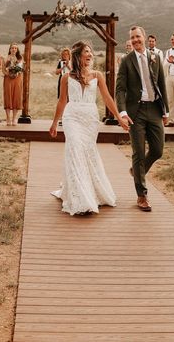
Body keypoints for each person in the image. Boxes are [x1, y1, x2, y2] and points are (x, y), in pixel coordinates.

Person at [49, 40, 129, 215]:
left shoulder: (97, 75)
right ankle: (81, 199)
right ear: (78, 55)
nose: (90, 54)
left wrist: (119, 118)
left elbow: (108, 98)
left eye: (91, 52)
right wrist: (55, 122)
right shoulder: (66, 77)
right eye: (86, 51)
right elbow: (62, 101)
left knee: (88, 152)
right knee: (75, 149)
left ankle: (90, 190)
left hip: (90, 119)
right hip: (72, 117)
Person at [116, 25, 168, 212]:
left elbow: (161, 83)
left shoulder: (155, 57)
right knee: (138, 152)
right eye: (132, 37)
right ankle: (142, 195)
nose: (136, 40)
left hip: (154, 109)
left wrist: (166, 111)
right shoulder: (126, 61)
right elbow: (120, 88)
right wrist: (122, 112)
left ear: (144, 37)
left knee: (158, 149)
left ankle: (138, 171)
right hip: (135, 112)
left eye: (138, 36)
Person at [3, 43, 24, 126]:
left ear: (17, 50)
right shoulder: (6, 58)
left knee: (16, 97)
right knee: (8, 96)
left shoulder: (20, 58)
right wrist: (8, 73)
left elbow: (21, 69)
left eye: (15, 48)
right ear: (10, 49)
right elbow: (3, 70)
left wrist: (17, 72)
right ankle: (8, 118)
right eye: (12, 48)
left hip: (17, 79)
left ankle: (14, 118)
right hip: (8, 79)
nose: (14, 49)